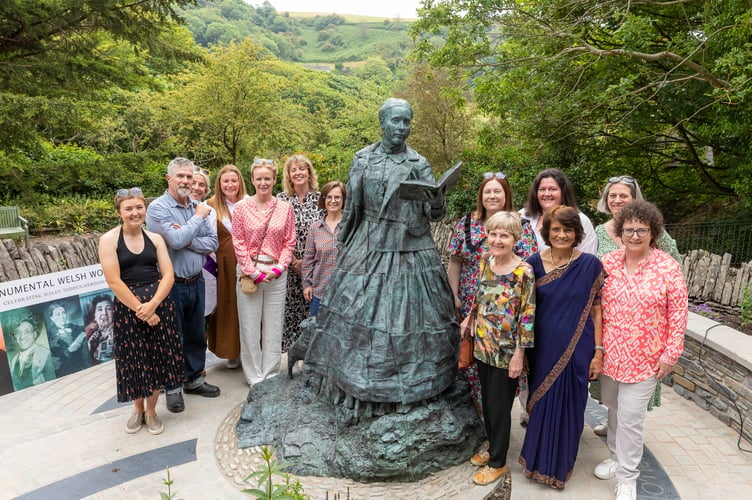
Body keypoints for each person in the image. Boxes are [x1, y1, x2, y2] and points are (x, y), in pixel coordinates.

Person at [299, 98, 459, 406]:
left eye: (406, 122)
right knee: (357, 314)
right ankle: (352, 383)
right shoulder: (362, 158)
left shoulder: (418, 162)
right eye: (396, 121)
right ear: (382, 123)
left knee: (408, 321)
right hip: (368, 243)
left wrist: (437, 201)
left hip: (408, 246)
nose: (402, 127)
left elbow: (434, 214)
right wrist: (344, 247)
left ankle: (412, 386)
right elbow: (353, 208)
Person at [594, 200, 688, 500]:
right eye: (629, 229)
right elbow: (593, 306)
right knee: (614, 410)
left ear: (653, 232)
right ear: (620, 232)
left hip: (645, 360)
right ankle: (614, 457)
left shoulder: (666, 266)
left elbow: (679, 312)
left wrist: (671, 353)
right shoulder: (607, 263)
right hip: (610, 356)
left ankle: (628, 478)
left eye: (642, 230)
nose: (635, 235)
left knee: (631, 419)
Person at [518, 205, 606, 489]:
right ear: (547, 232)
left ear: (577, 233)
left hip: (578, 349)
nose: (562, 234)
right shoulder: (532, 263)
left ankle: (560, 465)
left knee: (571, 404)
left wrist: (598, 351)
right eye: (556, 229)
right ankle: (535, 462)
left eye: (568, 230)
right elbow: (525, 310)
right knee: (541, 403)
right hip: (541, 349)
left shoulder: (590, 265)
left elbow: (596, 311)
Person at [591, 175, 681, 435]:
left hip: (645, 331)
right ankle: (614, 425)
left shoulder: (655, 233)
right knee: (611, 393)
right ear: (606, 201)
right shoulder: (599, 233)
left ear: (634, 199)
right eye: (613, 195)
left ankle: (625, 441)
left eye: (624, 196)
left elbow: (673, 269)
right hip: (611, 326)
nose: (617, 200)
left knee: (633, 401)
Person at [446, 171, 538, 419]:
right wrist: (453, 296)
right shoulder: (467, 223)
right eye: (487, 191)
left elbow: (530, 266)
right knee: (473, 363)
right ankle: (481, 419)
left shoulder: (521, 225)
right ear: (481, 195)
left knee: (505, 367)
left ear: (506, 194)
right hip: (473, 306)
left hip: (508, 312)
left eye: (498, 190)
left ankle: (499, 423)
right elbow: (455, 261)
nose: (492, 195)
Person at [99, 187, 185, 435]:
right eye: (129, 209)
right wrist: (142, 310)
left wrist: (154, 305)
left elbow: (168, 274)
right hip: (129, 311)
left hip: (159, 307)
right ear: (119, 212)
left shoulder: (155, 238)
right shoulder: (108, 241)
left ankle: (151, 411)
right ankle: (137, 408)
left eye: (139, 207)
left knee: (157, 360)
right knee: (135, 361)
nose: (135, 213)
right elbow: (114, 281)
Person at [146, 157, 220, 414]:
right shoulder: (158, 209)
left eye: (190, 177)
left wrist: (187, 238)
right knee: (171, 336)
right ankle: (173, 386)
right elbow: (174, 240)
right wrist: (194, 224)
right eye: (181, 176)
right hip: (170, 285)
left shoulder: (198, 206)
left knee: (196, 334)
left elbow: (213, 243)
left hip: (196, 280)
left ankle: (194, 378)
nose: (187, 181)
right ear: (169, 178)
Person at [467, 211, 535, 486]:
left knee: (499, 407)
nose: (497, 239)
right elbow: (480, 297)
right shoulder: (487, 261)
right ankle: (493, 449)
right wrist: (469, 319)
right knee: (487, 402)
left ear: (515, 238)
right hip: (483, 345)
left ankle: (498, 463)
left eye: (504, 235)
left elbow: (528, 316)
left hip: (507, 352)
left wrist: (520, 354)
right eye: (493, 234)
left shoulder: (524, 271)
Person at [232, 158, 296, 385]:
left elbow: (289, 241)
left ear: (274, 180)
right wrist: (254, 272)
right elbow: (238, 242)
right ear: (252, 180)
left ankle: (270, 374)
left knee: (274, 324)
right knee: (249, 326)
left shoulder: (285, 208)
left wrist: (279, 268)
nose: (263, 183)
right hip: (250, 271)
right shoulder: (241, 208)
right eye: (258, 178)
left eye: (267, 178)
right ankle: (253, 376)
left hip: (276, 271)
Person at [276, 154, 324, 352]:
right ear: (288, 175)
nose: (298, 173)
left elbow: (326, 230)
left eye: (302, 168)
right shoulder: (281, 200)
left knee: (311, 311)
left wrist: (307, 262)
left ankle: (312, 354)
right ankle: (292, 355)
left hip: (315, 267)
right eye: (293, 169)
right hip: (288, 265)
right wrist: (294, 260)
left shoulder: (321, 198)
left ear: (309, 172)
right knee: (289, 312)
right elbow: (276, 233)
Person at [206, 164, 249, 370]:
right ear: (219, 184)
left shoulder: (250, 203)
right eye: (226, 181)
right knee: (227, 306)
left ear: (240, 181)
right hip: (222, 262)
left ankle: (250, 350)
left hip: (247, 260)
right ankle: (232, 351)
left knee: (248, 304)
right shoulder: (210, 205)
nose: (230, 185)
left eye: (234, 180)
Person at [520, 168, 597, 255]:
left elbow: (589, 256)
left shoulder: (581, 220)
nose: (547, 194)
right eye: (542, 189)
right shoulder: (523, 216)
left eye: (552, 189)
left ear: (563, 192)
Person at [302, 181, 346, 317]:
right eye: (329, 197)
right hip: (319, 292)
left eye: (337, 197)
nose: (333, 201)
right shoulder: (315, 228)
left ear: (344, 200)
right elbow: (308, 260)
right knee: (316, 334)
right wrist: (307, 285)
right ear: (324, 200)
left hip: (345, 294)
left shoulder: (350, 227)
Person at [8, 313, 55, 390]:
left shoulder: (46, 355)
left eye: (27, 332)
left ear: (34, 334)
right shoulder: (13, 360)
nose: (22, 337)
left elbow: (52, 385)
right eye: (18, 333)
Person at [44, 302, 88, 376]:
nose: (62, 316)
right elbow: (55, 361)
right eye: (58, 314)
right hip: (64, 372)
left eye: (63, 313)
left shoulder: (74, 327)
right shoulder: (49, 335)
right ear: (52, 318)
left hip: (82, 368)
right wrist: (70, 349)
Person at [86, 295, 115, 364]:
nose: (104, 313)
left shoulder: (118, 333)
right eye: (100, 309)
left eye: (108, 308)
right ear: (94, 316)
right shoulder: (94, 337)